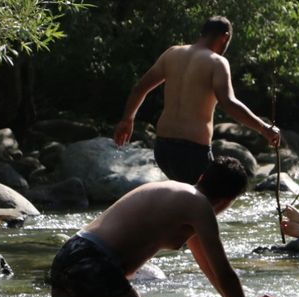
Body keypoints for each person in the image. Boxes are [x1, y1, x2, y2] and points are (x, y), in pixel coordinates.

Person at [45, 156, 294, 297]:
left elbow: (209, 268)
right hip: (96, 265)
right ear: (227, 201)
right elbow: (225, 272)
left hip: (71, 253)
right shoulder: (200, 207)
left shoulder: (179, 194)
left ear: (202, 178)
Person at [113, 15, 280, 184]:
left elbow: (139, 88)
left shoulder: (172, 53)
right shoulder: (217, 63)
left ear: (203, 33)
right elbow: (228, 103)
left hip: (163, 148)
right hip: (192, 151)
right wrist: (263, 128)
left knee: (183, 199)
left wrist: (127, 120)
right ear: (226, 37)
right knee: (206, 203)